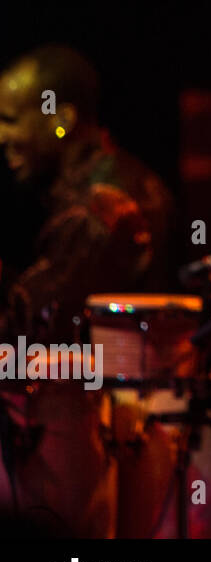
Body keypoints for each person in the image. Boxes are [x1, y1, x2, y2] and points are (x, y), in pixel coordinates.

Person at [0, 44, 175, 536]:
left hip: (89, 457)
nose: (2, 136)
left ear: (61, 118)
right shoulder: (107, 185)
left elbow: (34, 335)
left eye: (11, 119)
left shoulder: (100, 207)